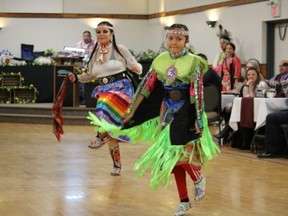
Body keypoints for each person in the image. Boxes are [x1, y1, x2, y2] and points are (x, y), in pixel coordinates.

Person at [87, 23, 220, 216]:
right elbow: (146, 87)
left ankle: (198, 177)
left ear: (186, 41)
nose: (174, 43)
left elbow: (197, 92)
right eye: (171, 39)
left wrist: (198, 119)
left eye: (179, 39)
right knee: (171, 161)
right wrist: (131, 111)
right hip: (166, 112)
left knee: (181, 155)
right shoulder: (160, 60)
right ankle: (184, 200)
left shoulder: (193, 62)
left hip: (187, 112)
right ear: (166, 40)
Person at [68, 21, 142, 176]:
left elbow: (136, 65)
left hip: (121, 89)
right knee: (112, 133)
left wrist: (136, 68)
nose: (101, 34)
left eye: (105, 31)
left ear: (111, 33)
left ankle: (101, 135)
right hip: (104, 89)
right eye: (98, 32)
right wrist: (76, 78)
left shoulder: (120, 49)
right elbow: (91, 75)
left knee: (102, 105)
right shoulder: (95, 53)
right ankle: (117, 165)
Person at [214, 58, 261, 142]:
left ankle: (227, 132)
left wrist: (249, 87)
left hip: (254, 108)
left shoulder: (260, 85)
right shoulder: (245, 84)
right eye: (248, 73)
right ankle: (230, 133)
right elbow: (241, 96)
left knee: (235, 112)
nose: (250, 76)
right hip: (244, 106)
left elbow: (251, 98)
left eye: (253, 74)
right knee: (226, 110)